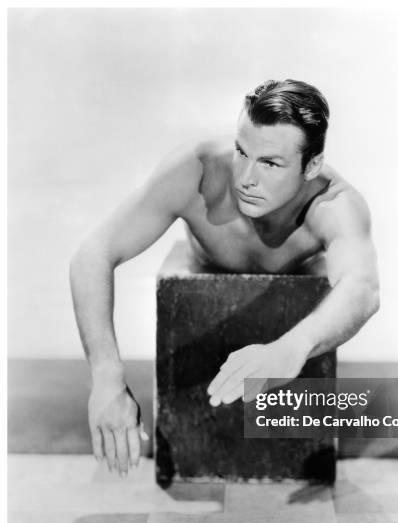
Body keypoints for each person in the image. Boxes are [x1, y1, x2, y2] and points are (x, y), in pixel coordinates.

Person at [70, 79, 380, 477]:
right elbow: (92, 254)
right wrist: (107, 376)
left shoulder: (334, 204)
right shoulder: (198, 171)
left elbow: (363, 287)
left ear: (312, 166)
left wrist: (293, 346)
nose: (246, 177)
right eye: (241, 152)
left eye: (270, 163)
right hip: (201, 274)